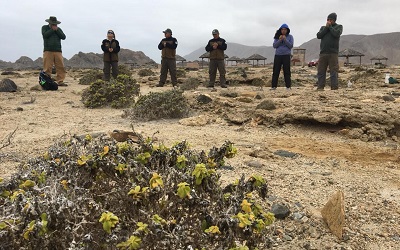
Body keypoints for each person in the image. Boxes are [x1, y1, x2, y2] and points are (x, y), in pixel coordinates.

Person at [316, 13, 343, 90]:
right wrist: (326, 28)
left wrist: (330, 27)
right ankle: (320, 87)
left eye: (330, 20)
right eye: (328, 19)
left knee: (333, 71)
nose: (328, 21)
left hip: (333, 53)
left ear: (334, 20)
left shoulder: (339, 27)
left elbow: (336, 34)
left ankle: (334, 87)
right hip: (323, 53)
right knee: (321, 70)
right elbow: (319, 35)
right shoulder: (323, 28)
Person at [42, 16, 67, 86]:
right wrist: (52, 30)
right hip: (48, 51)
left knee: (60, 66)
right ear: (49, 23)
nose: (54, 25)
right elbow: (45, 35)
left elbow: (63, 37)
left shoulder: (59, 29)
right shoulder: (44, 28)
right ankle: (47, 81)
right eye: (53, 24)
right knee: (47, 67)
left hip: (58, 51)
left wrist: (57, 30)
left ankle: (60, 81)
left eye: (55, 24)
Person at [271, 23, 294, 90]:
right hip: (278, 55)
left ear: (287, 30)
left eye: (285, 29)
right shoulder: (277, 37)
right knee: (276, 71)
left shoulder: (290, 37)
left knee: (287, 71)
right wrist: (280, 40)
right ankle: (273, 86)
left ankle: (288, 86)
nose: (283, 31)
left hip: (286, 55)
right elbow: (274, 46)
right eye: (282, 29)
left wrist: (285, 40)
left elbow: (290, 46)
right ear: (280, 30)